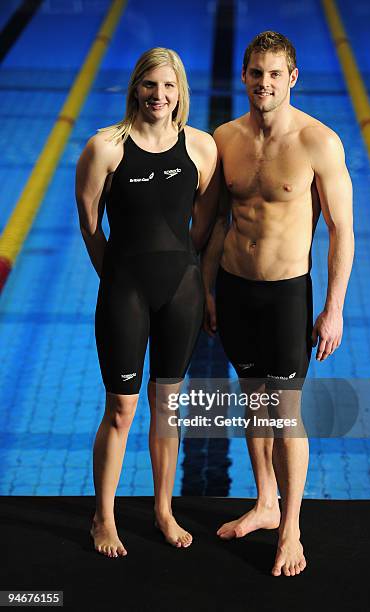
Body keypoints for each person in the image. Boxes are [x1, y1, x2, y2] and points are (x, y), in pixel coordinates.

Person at [202, 31, 354, 577]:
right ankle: (266, 503)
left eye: (274, 74)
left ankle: (291, 529)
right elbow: (220, 220)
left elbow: (342, 231)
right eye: (255, 73)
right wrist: (207, 288)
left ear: (292, 78)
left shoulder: (320, 142)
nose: (263, 83)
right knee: (253, 402)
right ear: (243, 76)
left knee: (286, 414)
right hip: (235, 287)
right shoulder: (225, 138)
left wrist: (333, 307)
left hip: (288, 293)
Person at [75, 47, 218, 557]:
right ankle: (103, 518)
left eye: (169, 87)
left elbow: (202, 225)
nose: (159, 96)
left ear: (181, 92)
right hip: (126, 291)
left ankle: (163, 510)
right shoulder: (105, 148)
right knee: (121, 409)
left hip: (181, 290)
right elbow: (90, 224)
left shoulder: (200, 148)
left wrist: (191, 274)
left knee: (168, 408)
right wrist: (115, 278)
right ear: (136, 87)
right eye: (150, 85)